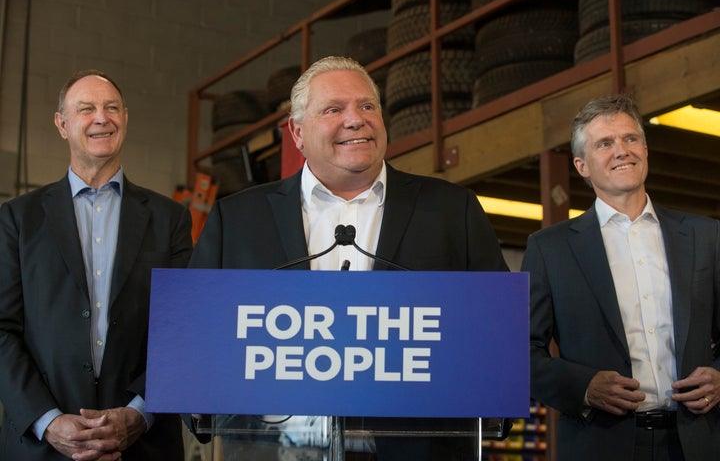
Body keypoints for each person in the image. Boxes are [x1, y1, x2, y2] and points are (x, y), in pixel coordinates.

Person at [188, 56, 509, 460]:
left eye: (367, 106)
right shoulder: (236, 219)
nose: (355, 120)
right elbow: (195, 333)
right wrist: (196, 395)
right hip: (276, 448)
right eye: (334, 109)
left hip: (419, 448)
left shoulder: (452, 211)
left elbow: (495, 332)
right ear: (298, 132)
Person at [0, 70, 193, 460]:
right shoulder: (18, 220)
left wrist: (140, 414)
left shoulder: (170, 218)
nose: (101, 118)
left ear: (125, 117)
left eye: (111, 108)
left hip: (143, 445)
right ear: (62, 124)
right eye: (86, 109)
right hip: (39, 446)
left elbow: (183, 328)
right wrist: (48, 420)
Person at [523, 94, 720, 460]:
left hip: (698, 442)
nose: (622, 151)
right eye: (605, 143)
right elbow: (521, 352)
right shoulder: (550, 249)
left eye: (631, 139)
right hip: (599, 441)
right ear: (582, 165)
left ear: (645, 150)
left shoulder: (705, 236)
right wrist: (584, 387)